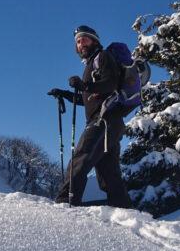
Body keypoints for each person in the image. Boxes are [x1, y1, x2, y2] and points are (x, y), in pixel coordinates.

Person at [48, 26, 133, 208]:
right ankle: (124, 211)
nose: (81, 44)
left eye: (84, 39)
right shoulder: (91, 64)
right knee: (109, 174)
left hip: (103, 120)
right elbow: (89, 99)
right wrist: (65, 94)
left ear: (94, 40)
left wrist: (84, 85)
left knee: (80, 160)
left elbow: (110, 84)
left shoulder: (102, 57)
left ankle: (65, 204)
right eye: (78, 42)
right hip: (110, 124)